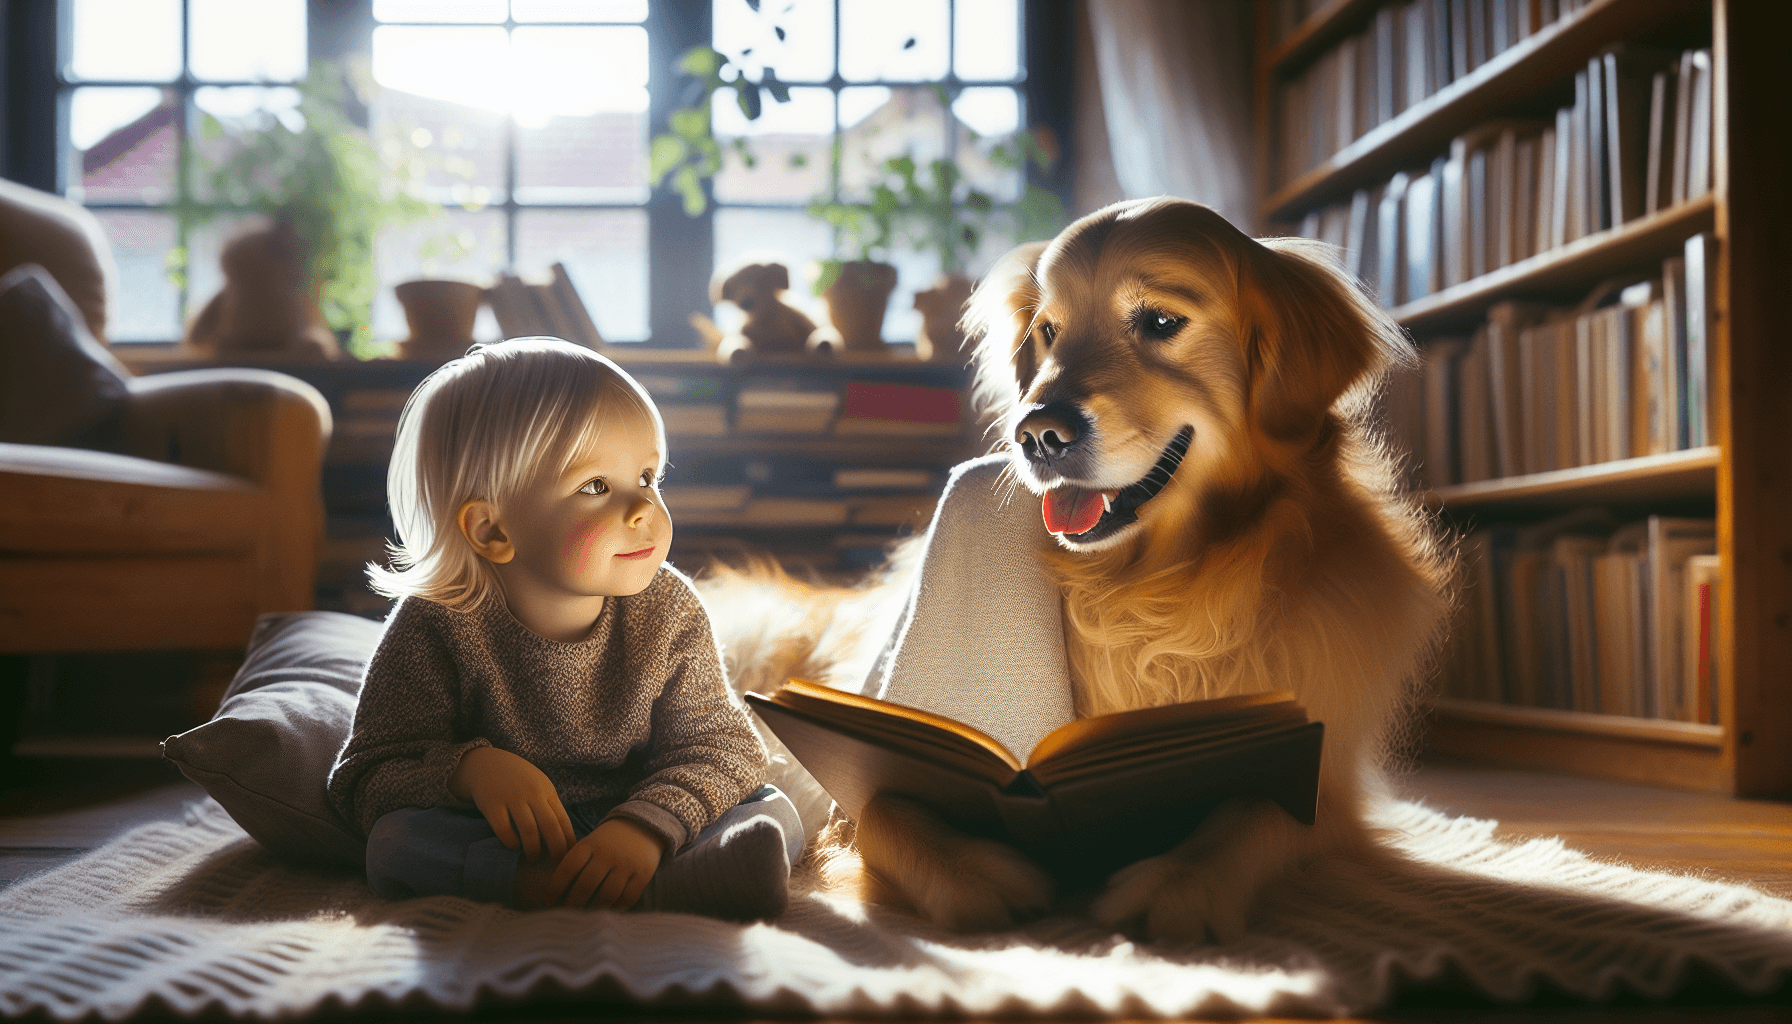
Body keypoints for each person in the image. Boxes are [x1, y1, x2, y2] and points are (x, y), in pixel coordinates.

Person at [327, 337, 798, 919]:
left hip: (645, 813)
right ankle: (556, 885)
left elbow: (723, 747)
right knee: (394, 844)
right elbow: (366, 777)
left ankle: (643, 875)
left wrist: (646, 828)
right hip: (511, 841)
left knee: (772, 811)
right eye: (596, 487)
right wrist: (470, 772)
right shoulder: (437, 623)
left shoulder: (668, 609)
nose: (643, 509)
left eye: (648, 478)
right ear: (492, 531)